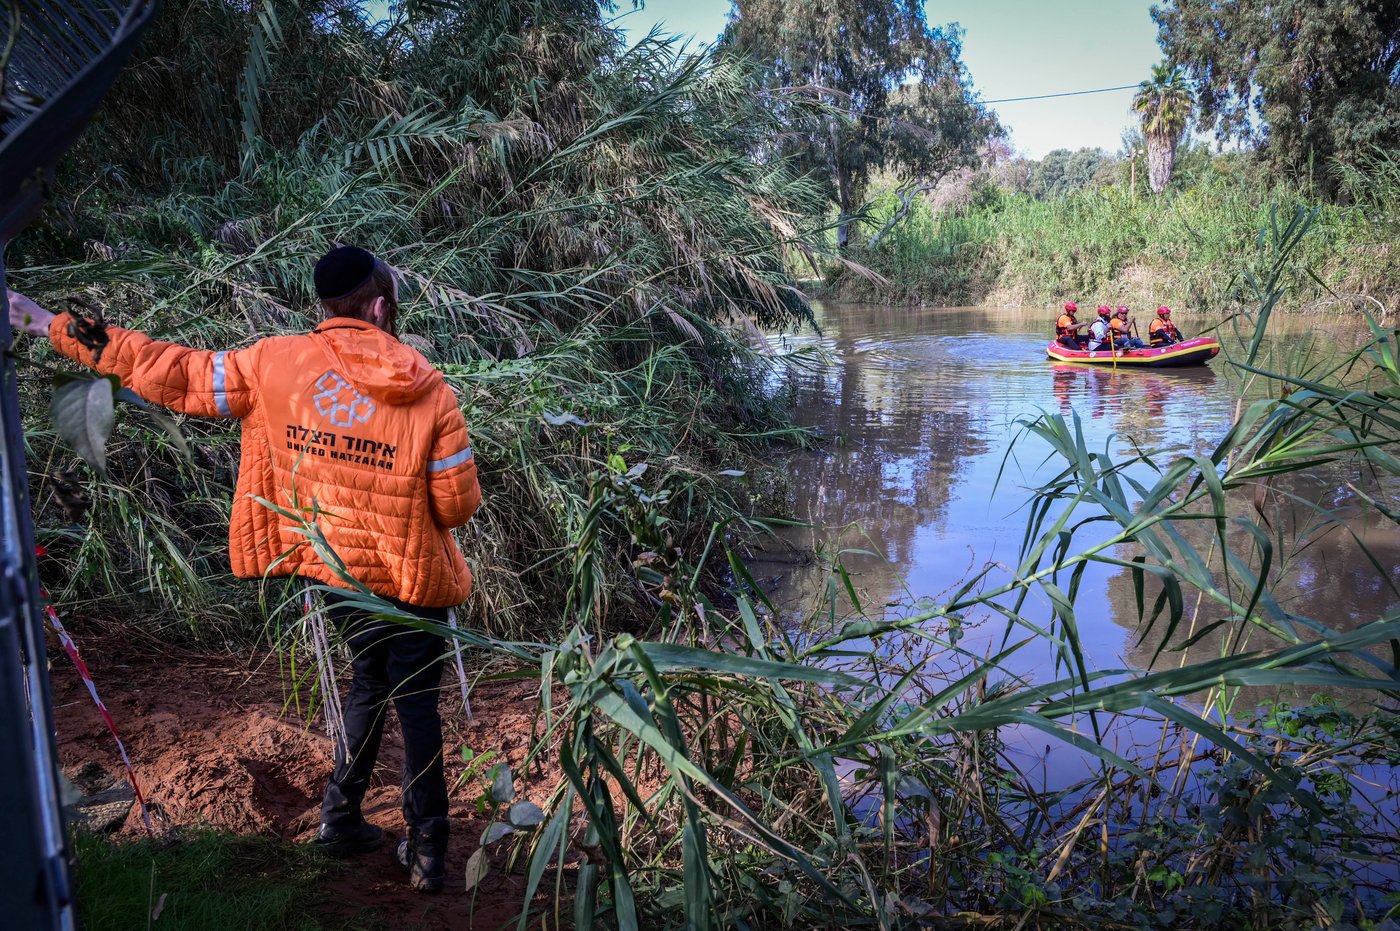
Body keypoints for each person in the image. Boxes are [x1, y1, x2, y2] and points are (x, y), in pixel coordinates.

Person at [7, 245, 481, 894]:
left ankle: (341, 820)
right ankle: (428, 851)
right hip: (413, 579)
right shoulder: (428, 386)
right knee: (417, 706)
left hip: (335, 573)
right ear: (377, 305)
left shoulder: (270, 363)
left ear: (328, 307)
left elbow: (162, 367)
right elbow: (456, 502)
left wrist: (50, 323)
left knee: (368, 680)